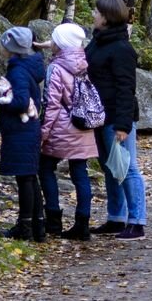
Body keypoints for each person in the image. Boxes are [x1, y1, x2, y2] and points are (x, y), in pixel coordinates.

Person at [85, 0, 148, 240]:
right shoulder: (97, 42)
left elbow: (126, 88)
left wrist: (123, 124)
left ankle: (137, 221)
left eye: (96, 12)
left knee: (127, 167)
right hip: (99, 116)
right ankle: (116, 217)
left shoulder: (122, 48)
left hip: (117, 118)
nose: (93, 15)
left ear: (107, 17)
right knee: (110, 168)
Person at [38, 23, 97, 241]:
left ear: (60, 43)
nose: (51, 43)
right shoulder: (81, 61)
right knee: (80, 173)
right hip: (83, 125)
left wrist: (43, 133)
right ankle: (82, 224)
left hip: (62, 127)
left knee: (45, 167)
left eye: (54, 40)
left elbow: (51, 104)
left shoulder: (56, 68)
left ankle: (53, 219)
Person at [0, 26, 48, 242]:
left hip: (21, 131)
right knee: (29, 177)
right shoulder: (30, 66)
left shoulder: (17, 71)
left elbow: (20, 102)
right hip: (29, 130)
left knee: (25, 178)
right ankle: (38, 226)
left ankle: (26, 228)